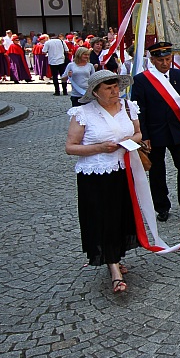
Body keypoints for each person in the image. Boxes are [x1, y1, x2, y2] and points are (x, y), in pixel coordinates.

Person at [64, 69, 141, 294]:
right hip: (95, 176)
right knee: (103, 219)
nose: (114, 91)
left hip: (123, 171)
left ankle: (115, 256)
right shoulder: (83, 113)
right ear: (95, 92)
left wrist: (128, 141)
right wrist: (99, 148)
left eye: (116, 86)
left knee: (121, 216)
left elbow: (138, 134)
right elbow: (70, 147)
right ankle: (114, 268)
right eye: (108, 88)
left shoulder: (128, 107)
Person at [131, 42, 180, 221]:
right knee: (157, 170)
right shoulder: (141, 80)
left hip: (177, 130)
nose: (165, 63)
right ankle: (162, 206)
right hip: (155, 132)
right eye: (160, 60)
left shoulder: (178, 75)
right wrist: (144, 135)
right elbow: (139, 110)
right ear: (152, 60)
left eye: (168, 59)